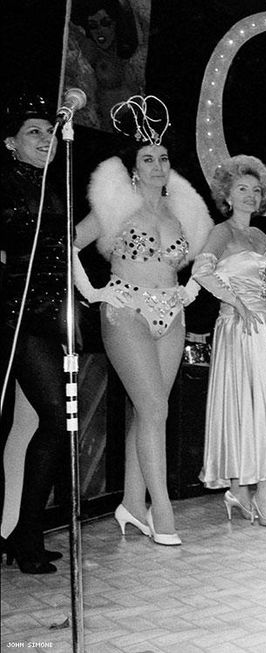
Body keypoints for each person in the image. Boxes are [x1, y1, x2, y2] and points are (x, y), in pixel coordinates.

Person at [72, 95, 213, 546]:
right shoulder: (116, 208)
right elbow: (68, 244)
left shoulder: (184, 213)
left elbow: (207, 259)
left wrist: (193, 287)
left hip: (171, 310)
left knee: (146, 412)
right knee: (155, 409)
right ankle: (162, 512)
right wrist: (91, 291)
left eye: (163, 157)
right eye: (148, 158)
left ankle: (132, 505)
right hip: (125, 308)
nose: (157, 164)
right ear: (133, 167)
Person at [193, 155, 266, 528]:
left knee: (260, 408)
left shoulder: (258, 235)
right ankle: (254, 491)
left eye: (255, 190)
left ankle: (240, 490)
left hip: (258, 327)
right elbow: (201, 271)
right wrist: (237, 301)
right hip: (237, 327)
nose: (251, 196)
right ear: (227, 195)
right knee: (245, 409)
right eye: (242, 189)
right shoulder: (223, 232)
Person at [0, 93, 68, 573]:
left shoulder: (52, 184)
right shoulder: (6, 183)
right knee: (38, 417)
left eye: (49, 131)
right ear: (10, 143)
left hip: (49, 315)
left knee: (54, 422)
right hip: (13, 315)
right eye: (33, 132)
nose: (45, 139)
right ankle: (19, 536)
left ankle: (25, 532)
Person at [67, 0, 149, 131]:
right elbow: (69, 28)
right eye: (93, 26)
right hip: (110, 127)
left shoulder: (129, 50)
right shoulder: (92, 50)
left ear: (115, 24)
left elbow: (141, 24)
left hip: (139, 125)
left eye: (105, 23)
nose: (100, 30)